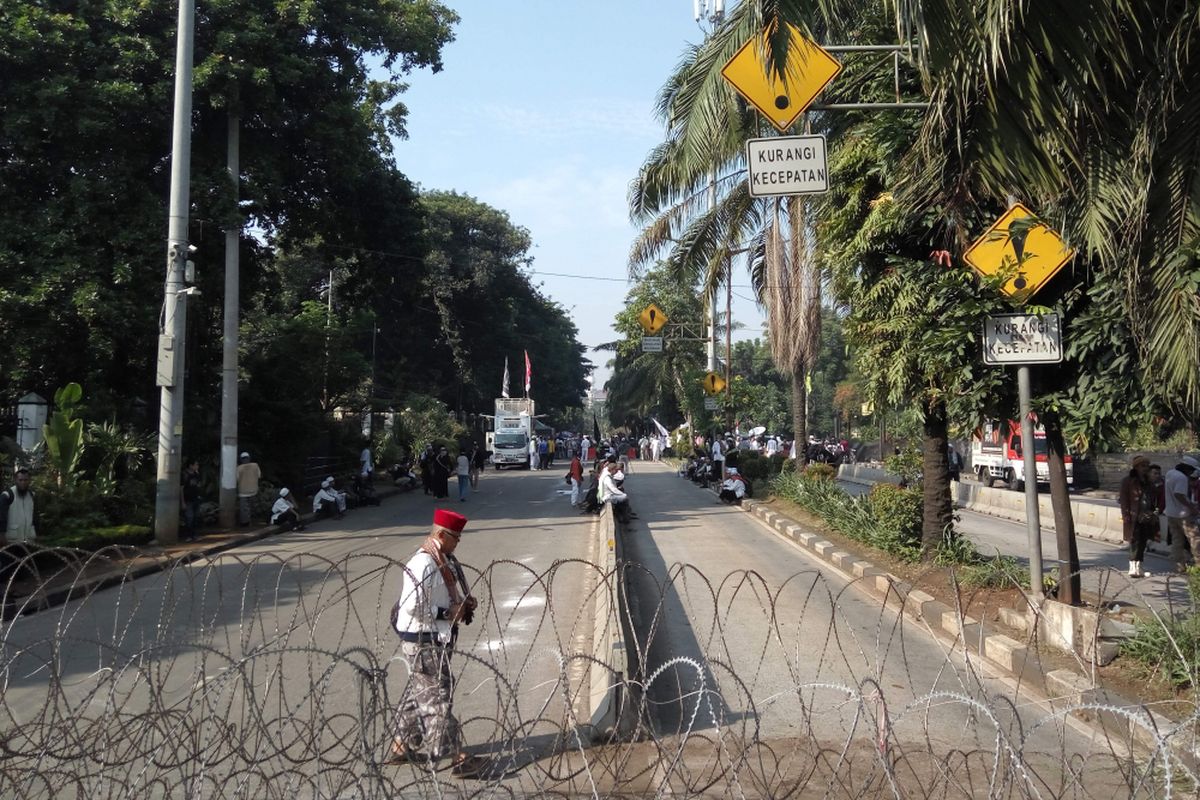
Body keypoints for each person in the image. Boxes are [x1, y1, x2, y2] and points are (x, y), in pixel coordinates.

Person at [387, 508, 485, 777]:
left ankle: (400, 745)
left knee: (419, 693)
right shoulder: (424, 563)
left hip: (435, 636)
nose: (458, 543)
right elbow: (410, 606)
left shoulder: (443, 558)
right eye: (455, 537)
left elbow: (439, 598)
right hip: (423, 638)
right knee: (436, 698)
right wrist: (447, 613)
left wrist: (462, 605)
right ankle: (457, 757)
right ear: (441, 534)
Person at [1119, 455, 1159, 578]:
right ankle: (1132, 566)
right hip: (1133, 516)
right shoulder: (1128, 481)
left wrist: (1153, 512)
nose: (1145, 468)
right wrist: (1126, 515)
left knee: (1143, 541)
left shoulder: (1148, 482)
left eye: (1146, 466)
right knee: (1134, 541)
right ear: (1136, 467)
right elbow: (1124, 500)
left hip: (1146, 516)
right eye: (1143, 466)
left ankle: (1139, 567)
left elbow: (1153, 498)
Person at [1165, 456, 1200, 573]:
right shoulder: (1181, 478)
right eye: (1191, 470)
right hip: (1183, 515)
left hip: (1170, 513)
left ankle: (1179, 566)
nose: (1191, 473)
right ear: (1186, 468)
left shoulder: (1170, 473)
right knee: (1195, 539)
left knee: (1177, 540)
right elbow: (1179, 494)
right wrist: (1191, 506)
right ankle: (1199, 565)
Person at [0, 468, 37, 545]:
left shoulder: (32, 496)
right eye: (20, 480)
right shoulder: (7, 495)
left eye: (25, 480)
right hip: (10, 542)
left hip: (28, 542)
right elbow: (1, 517)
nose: (23, 482)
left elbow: (35, 517)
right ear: (16, 480)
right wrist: (1, 535)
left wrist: (37, 533)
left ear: (29, 481)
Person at [235, 452, 262, 526]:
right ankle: (254, 521)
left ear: (241, 459)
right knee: (254, 507)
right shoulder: (255, 465)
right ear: (249, 458)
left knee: (244, 508)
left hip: (243, 491)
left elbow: (236, 479)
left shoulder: (239, 468)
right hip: (254, 490)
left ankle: (245, 522)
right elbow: (259, 476)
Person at [180, 459, 202, 541]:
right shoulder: (185, 475)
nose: (197, 466)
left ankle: (194, 535)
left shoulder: (196, 474)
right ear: (191, 465)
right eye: (195, 465)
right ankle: (189, 535)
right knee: (189, 517)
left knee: (196, 517)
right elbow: (181, 488)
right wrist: (182, 502)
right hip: (187, 499)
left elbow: (198, 485)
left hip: (196, 498)